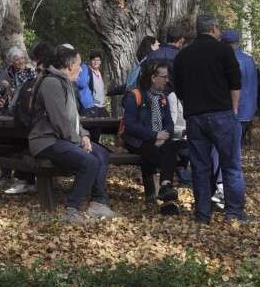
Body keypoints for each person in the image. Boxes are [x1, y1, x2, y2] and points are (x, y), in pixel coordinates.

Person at [29, 45, 123, 224]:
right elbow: (60, 121)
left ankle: (98, 202)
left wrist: (85, 136)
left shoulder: (66, 83)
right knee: (89, 162)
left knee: (102, 154)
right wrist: (79, 142)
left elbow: (74, 119)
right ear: (70, 65)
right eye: (80, 64)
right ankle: (72, 209)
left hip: (62, 138)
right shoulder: (52, 83)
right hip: (46, 141)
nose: (82, 68)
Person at [172, 15, 251, 223]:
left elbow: (178, 88)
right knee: (231, 165)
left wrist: (190, 107)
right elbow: (235, 81)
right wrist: (233, 109)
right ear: (215, 29)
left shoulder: (183, 55)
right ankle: (234, 212)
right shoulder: (224, 50)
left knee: (200, 167)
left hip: (195, 117)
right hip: (222, 114)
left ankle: (203, 214)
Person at [121, 60, 179, 212]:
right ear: (153, 77)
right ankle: (167, 202)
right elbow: (130, 125)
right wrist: (154, 136)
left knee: (171, 148)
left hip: (159, 138)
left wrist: (163, 136)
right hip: (136, 140)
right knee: (159, 156)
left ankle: (165, 186)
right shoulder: (135, 95)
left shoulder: (162, 97)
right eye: (164, 77)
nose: (167, 81)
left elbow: (169, 123)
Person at [220, 30, 258, 146]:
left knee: (230, 146)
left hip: (232, 110)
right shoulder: (249, 60)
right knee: (238, 144)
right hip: (248, 109)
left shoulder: (226, 61)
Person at [87, 52, 109, 117]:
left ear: (100, 61)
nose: (96, 62)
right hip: (93, 105)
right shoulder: (88, 72)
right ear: (90, 61)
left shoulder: (100, 72)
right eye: (93, 60)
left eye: (98, 60)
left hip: (102, 104)